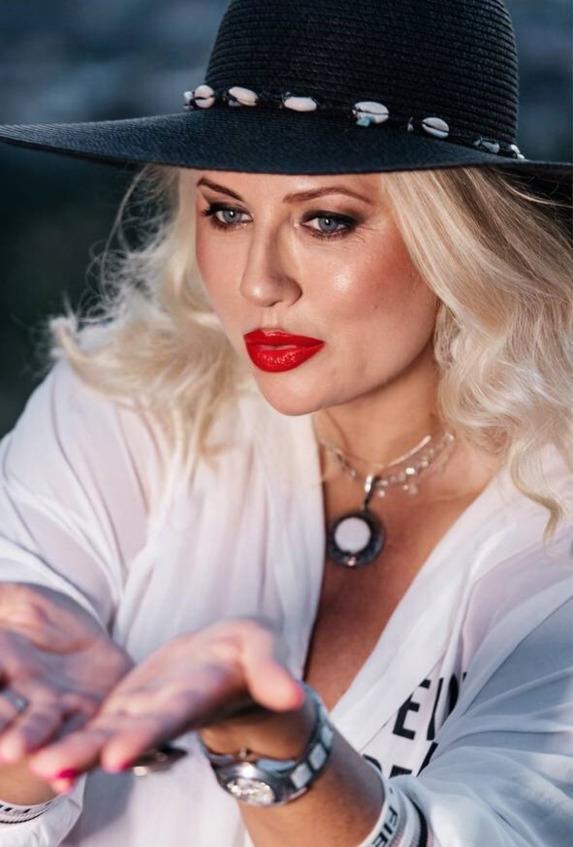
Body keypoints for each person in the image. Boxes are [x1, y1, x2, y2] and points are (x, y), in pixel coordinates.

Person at [0, 0, 571, 845]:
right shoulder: (126, 394)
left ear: (460, 239)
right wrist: (22, 746)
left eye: (325, 220)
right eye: (227, 212)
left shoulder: (553, 522)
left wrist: (278, 751)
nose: (259, 282)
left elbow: (508, 825)